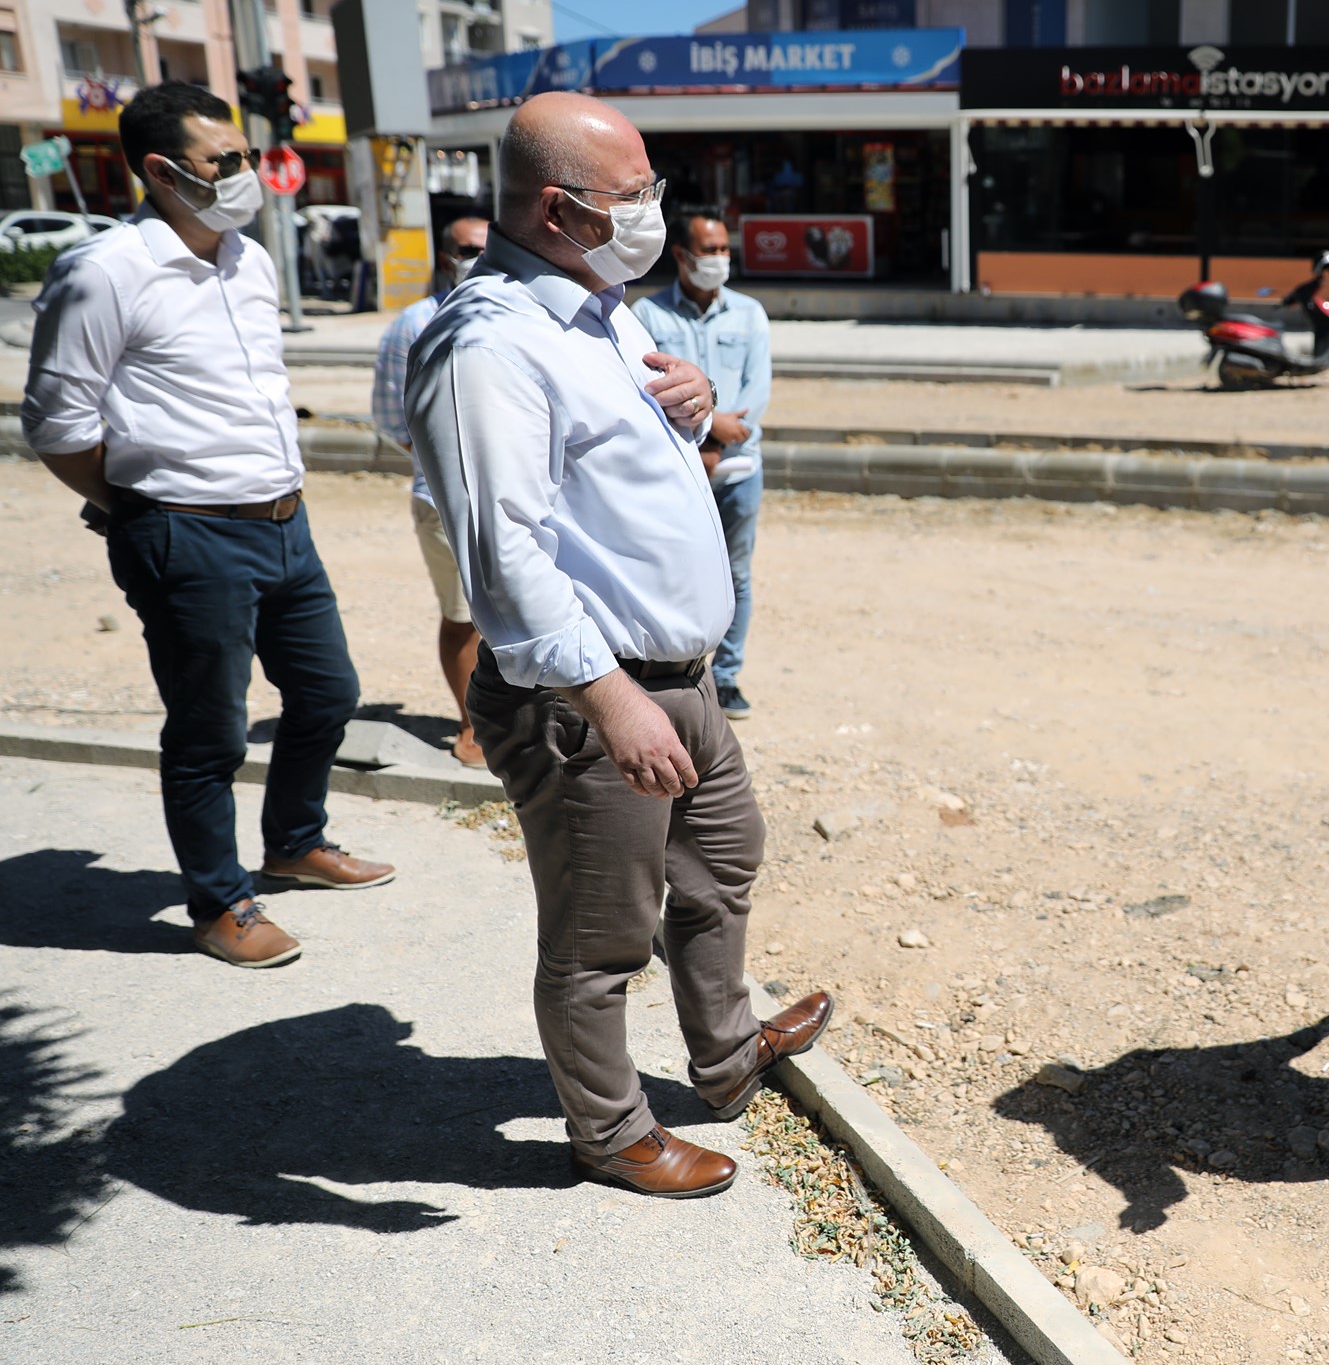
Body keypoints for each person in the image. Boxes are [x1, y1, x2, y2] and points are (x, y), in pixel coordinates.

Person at [406, 91, 830, 1199]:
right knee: (601, 936)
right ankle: (611, 1132)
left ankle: (727, 1050)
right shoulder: (489, 343)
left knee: (722, 860)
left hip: (676, 674)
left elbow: (622, 455)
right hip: (594, 692)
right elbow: (506, 557)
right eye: (633, 195)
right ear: (560, 208)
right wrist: (610, 700)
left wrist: (686, 399)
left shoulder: (602, 306)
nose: (654, 211)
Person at [21, 81, 394, 971]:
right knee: (209, 735)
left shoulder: (249, 259)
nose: (246, 175)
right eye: (224, 162)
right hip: (185, 535)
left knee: (327, 694)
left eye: (247, 157)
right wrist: (138, 508)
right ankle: (219, 901)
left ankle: (294, 842)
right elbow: (56, 426)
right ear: (159, 170)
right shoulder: (104, 271)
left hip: (283, 524)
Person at [632, 207, 771, 721]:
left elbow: (757, 393)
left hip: (738, 469)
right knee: (669, 570)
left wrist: (720, 440)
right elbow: (642, 390)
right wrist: (707, 435)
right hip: (677, 469)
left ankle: (726, 676)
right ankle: (675, 673)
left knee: (736, 574)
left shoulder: (750, 314)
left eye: (723, 250)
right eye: (707, 250)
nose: (717, 260)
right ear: (681, 255)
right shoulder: (647, 317)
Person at [372, 209, 492, 766]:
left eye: (487, 247)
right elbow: (394, 422)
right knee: (464, 615)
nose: (478, 259)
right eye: (468, 249)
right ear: (447, 257)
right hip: (446, 500)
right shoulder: (415, 324)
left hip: (519, 498)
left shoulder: (515, 313)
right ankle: (472, 726)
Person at [1278, 250, 1329, 384]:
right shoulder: (1310, 287)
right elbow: (1296, 295)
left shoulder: (1317, 287)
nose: (1326, 275)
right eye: (1324, 269)